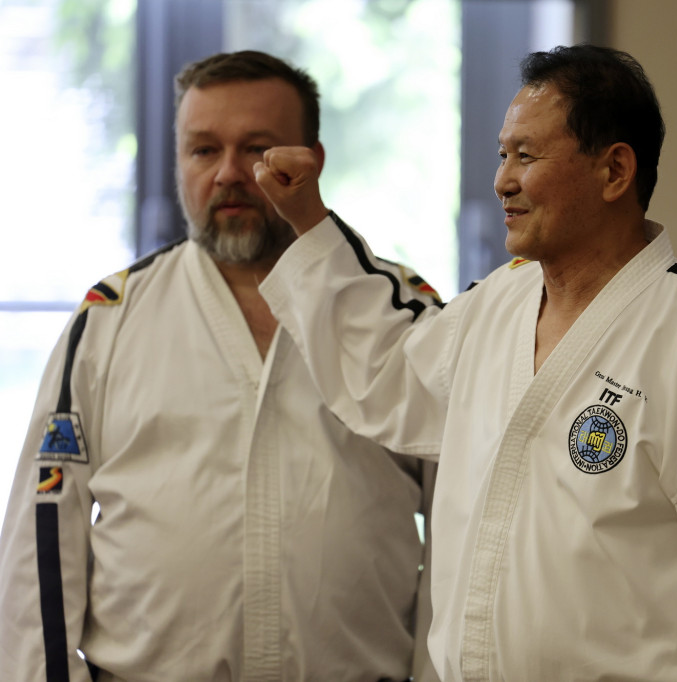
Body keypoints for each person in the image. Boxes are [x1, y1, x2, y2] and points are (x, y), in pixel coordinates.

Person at [256, 44, 677, 681]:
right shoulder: (499, 301)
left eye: (526, 155)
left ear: (614, 171)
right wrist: (308, 221)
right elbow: (390, 374)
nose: (502, 181)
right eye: (502, 155)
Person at [0, 50, 440, 681]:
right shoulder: (109, 320)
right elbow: (41, 541)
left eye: (257, 149)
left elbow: (463, 524)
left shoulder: (396, 314)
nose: (229, 173)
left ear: (311, 160)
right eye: (203, 150)